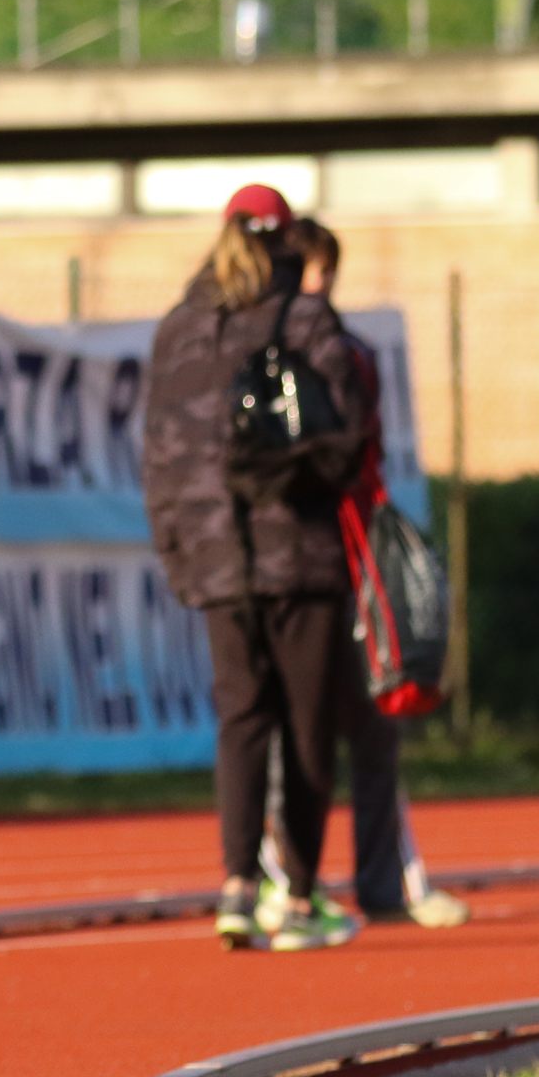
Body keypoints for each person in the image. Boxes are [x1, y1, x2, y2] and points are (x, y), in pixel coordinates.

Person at [142, 182, 367, 955]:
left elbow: (159, 456)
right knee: (307, 727)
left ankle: (238, 885)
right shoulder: (305, 318)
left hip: (214, 557)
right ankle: (297, 895)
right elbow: (348, 434)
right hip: (298, 548)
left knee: (241, 719)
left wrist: (177, 549)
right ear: (288, 240)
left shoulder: (178, 328)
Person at [256, 218, 470, 931]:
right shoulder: (257, 352)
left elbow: (355, 448)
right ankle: (287, 879)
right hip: (295, 564)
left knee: (378, 716)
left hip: (352, 557)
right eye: (307, 273)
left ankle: (385, 882)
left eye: (324, 274)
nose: (317, 288)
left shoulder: (348, 353)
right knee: (297, 731)